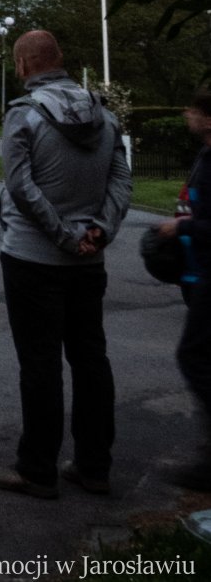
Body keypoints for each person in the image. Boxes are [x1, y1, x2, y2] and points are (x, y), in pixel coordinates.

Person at [0, 29, 131, 498]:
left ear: (23, 66)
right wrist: (100, 229)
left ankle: (37, 468)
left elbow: (21, 187)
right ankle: (94, 465)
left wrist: (63, 236)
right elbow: (120, 179)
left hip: (33, 257)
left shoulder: (24, 116)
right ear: (61, 60)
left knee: (40, 363)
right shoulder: (104, 115)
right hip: (90, 260)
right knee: (91, 358)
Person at [153, 90, 211, 491]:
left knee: (195, 357)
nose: (187, 115)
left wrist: (182, 227)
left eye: (193, 111)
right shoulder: (205, 156)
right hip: (201, 272)